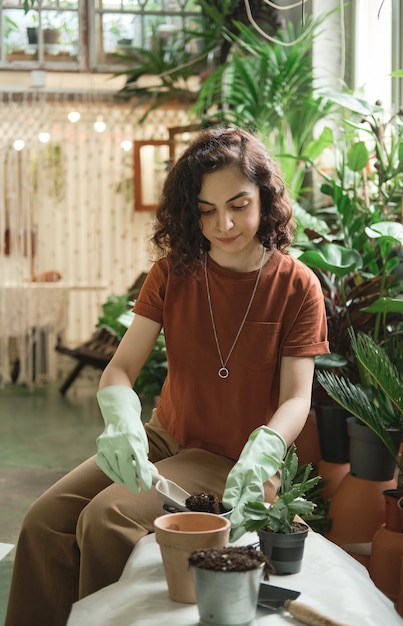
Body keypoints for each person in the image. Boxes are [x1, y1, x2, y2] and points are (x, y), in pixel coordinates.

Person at [5, 126, 329, 626]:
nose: (223, 223)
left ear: (265, 198)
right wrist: (122, 422)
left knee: (106, 519)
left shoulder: (296, 286)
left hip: (235, 460)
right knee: (45, 521)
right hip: (162, 439)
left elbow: (295, 398)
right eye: (205, 210)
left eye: (239, 204)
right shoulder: (174, 273)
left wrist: (264, 451)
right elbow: (120, 369)